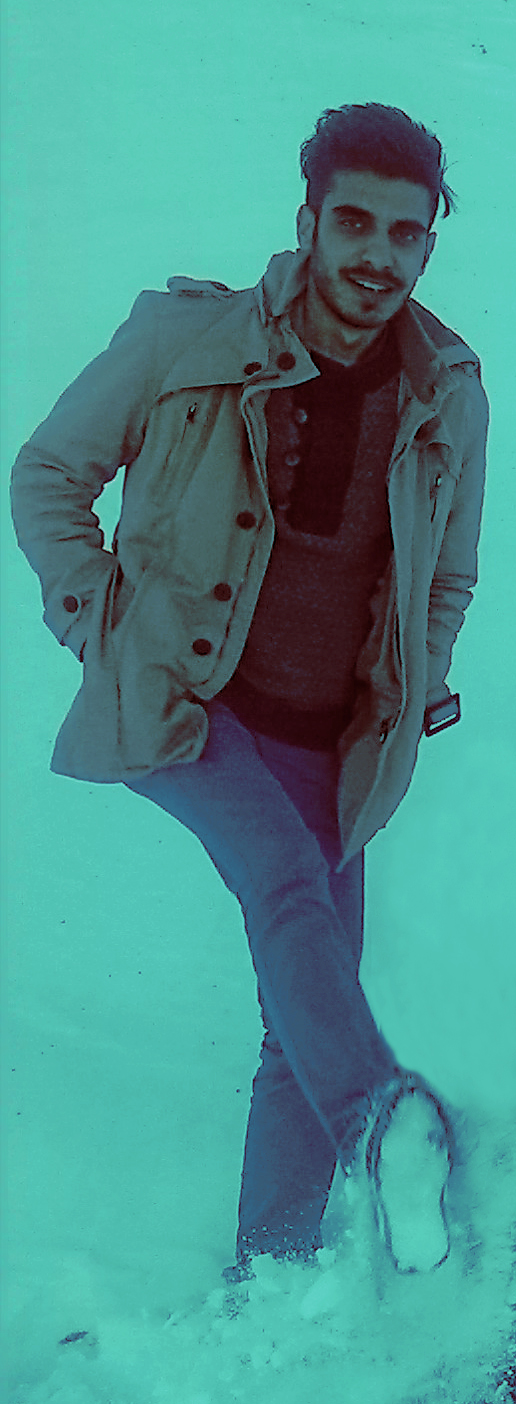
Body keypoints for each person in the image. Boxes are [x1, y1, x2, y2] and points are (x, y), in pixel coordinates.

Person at [10, 103, 489, 1282]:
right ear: (308, 223)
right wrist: (98, 625)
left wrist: (417, 679)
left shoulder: (448, 390)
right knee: (286, 888)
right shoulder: (186, 340)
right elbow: (49, 474)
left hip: (339, 738)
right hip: (190, 705)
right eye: (355, 223)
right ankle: (378, 1123)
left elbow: (450, 575)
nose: (378, 255)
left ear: (429, 244)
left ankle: (270, 1274)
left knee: (304, 1001)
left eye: (406, 234)